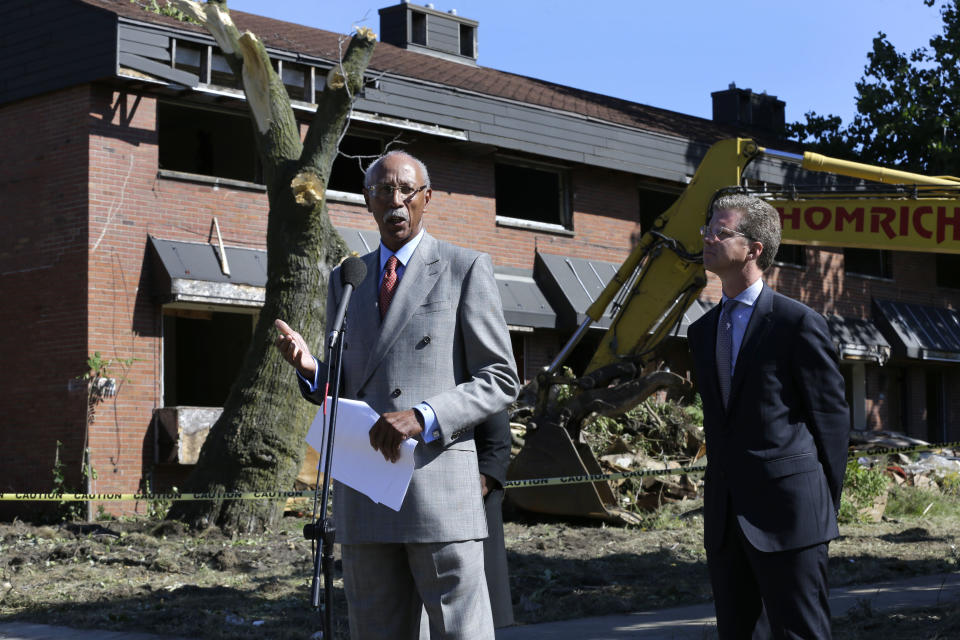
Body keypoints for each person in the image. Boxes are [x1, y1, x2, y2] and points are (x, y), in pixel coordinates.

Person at [275, 149, 520, 640]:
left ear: (426, 198)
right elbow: (350, 387)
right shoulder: (348, 279)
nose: (396, 201)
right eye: (384, 190)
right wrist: (310, 370)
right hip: (365, 496)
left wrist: (424, 416)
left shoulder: (463, 268)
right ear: (368, 201)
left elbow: (500, 377)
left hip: (438, 494)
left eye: (407, 190)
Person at [687, 194, 850, 639]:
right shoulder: (700, 333)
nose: (708, 237)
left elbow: (831, 423)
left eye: (721, 231)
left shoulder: (796, 324)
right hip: (725, 521)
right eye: (708, 229)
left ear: (755, 248)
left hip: (791, 517)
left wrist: (817, 506)